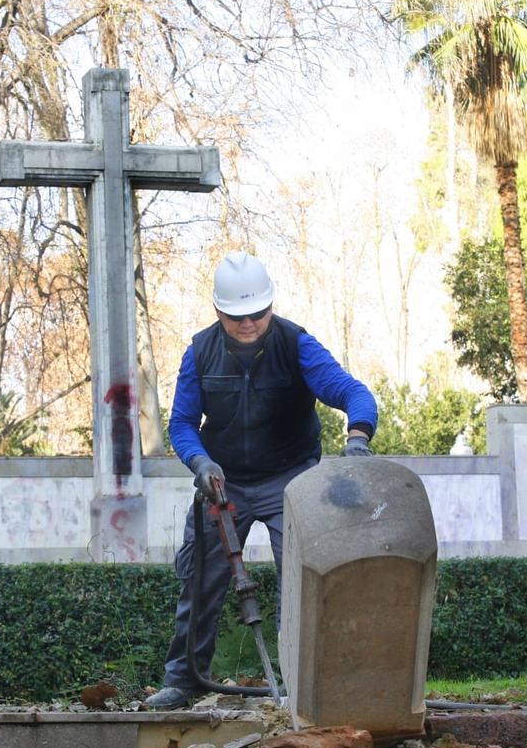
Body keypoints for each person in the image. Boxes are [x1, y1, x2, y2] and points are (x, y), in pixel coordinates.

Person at [145, 251, 378, 710]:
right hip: (223, 481)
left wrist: (358, 436)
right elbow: (182, 423)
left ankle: (306, 685)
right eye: (237, 317)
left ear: (271, 305)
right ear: (219, 312)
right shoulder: (200, 352)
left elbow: (352, 391)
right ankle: (185, 681)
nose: (249, 323)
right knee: (199, 579)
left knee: (304, 580)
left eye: (258, 313)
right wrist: (200, 462)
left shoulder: (296, 344)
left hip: (290, 477)